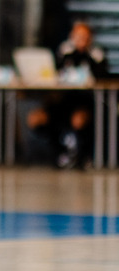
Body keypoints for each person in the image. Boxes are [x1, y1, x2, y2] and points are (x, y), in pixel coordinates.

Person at [27, 21, 108, 168]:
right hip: (62, 102)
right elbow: (52, 74)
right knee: (36, 118)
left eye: (84, 36)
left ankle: (80, 155)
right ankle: (58, 153)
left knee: (78, 119)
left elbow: (102, 77)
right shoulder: (64, 53)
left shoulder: (96, 54)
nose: (81, 40)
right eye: (77, 36)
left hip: (85, 103)